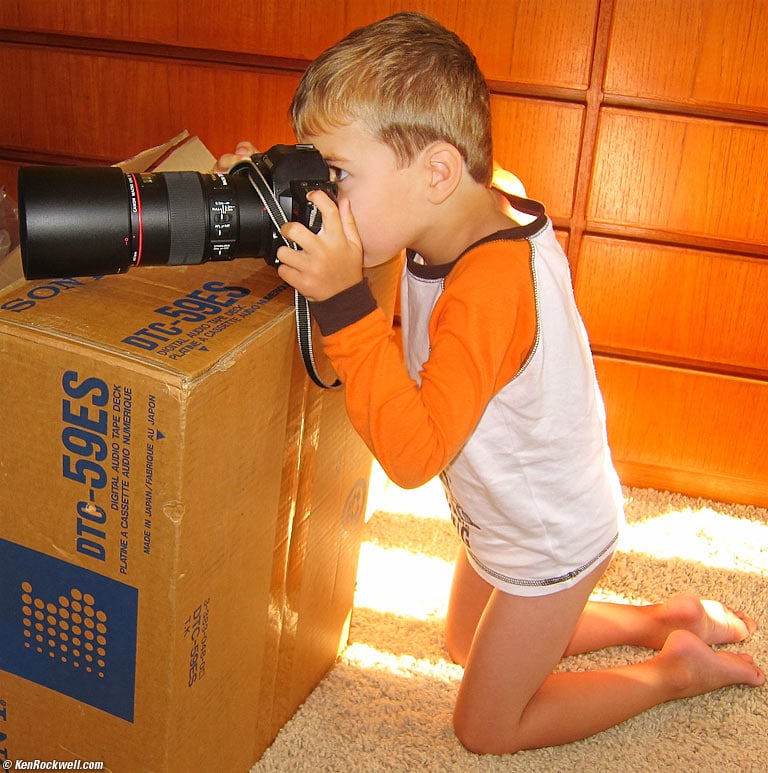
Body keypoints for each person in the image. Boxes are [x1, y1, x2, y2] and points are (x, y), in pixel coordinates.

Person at [218, 11, 764, 755]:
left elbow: (413, 457)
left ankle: (673, 672)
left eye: (336, 176)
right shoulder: (465, 203)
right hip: (502, 510)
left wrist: (343, 302)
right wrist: (271, 188)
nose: (326, 195)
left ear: (438, 172)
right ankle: (659, 617)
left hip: (551, 539)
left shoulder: (490, 287)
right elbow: (399, 234)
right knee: (461, 641)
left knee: (484, 725)